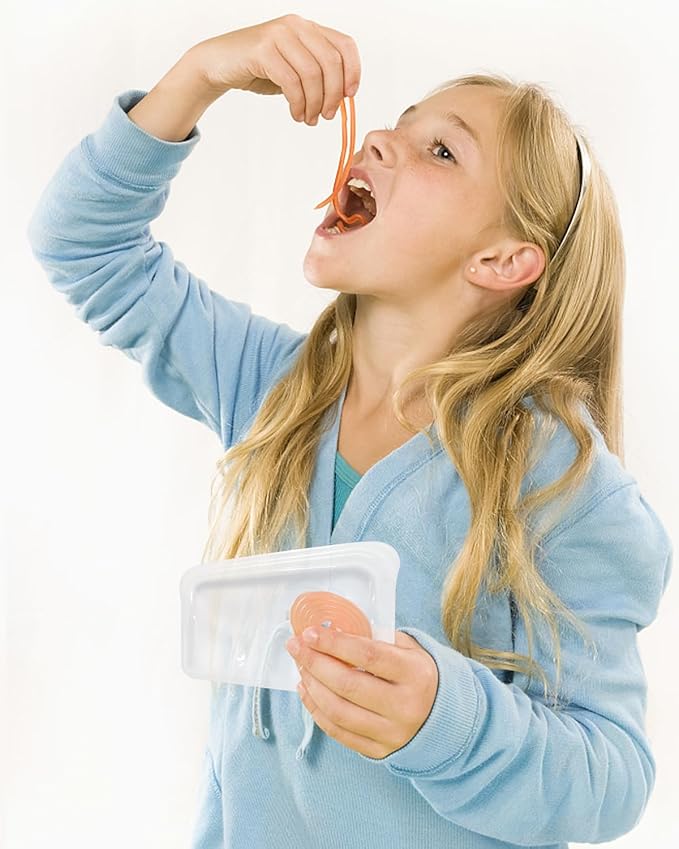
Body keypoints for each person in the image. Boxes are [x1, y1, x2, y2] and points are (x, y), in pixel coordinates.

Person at [26, 13, 673, 849]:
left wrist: (443, 719)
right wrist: (201, 73)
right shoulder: (269, 389)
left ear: (501, 261)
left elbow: (610, 777)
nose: (375, 140)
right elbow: (81, 244)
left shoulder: (560, 480)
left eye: (441, 150)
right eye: (397, 123)